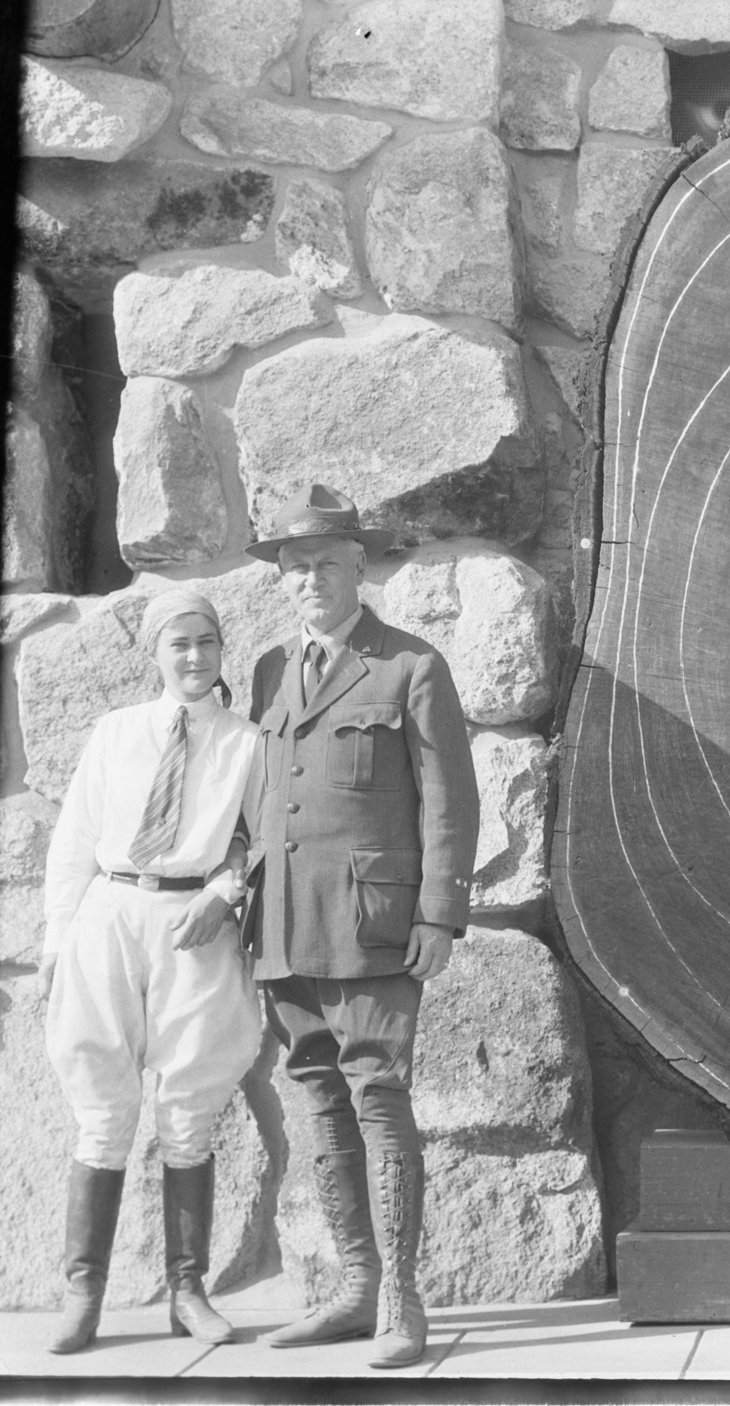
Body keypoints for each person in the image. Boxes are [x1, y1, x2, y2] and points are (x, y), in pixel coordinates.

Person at [243, 484, 478, 1370]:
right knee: (321, 1103)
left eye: (327, 566)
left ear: (359, 570)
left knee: (380, 1102)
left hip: (375, 926)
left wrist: (440, 912)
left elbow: (449, 799)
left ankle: (403, 1306)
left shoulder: (410, 666)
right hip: (284, 926)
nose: (311, 582)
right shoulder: (269, 669)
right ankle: (353, 1292)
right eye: (297, 569)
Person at [39, 588, 262, 1353]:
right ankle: (82, 1293)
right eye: (179, 644)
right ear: (155, 655)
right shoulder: (115, 733)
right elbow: (74, 840)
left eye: (207, 642)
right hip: (111, 911)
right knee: (102, 1108)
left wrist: (226, 891)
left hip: (192, 924)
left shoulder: (246, 742)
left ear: (220, 650)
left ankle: (188, 1291)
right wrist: (58, 941)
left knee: (188, 1106)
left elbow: (260, 840)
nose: (195, 657)